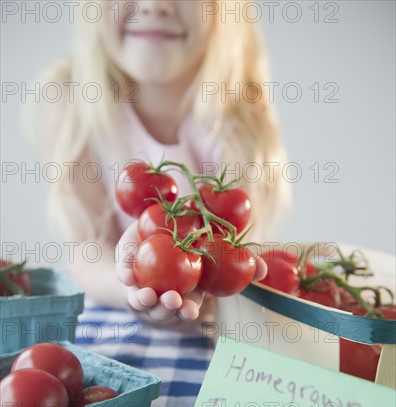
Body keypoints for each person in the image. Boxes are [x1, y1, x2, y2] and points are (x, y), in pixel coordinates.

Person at [29, 0, 291, 328]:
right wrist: (129, 286)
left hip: (215, 331)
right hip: (111, 323)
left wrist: (205, 289)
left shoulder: (240, 113)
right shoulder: (71, 101)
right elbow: (86, 249)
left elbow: (232, 247)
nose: (155, 5)